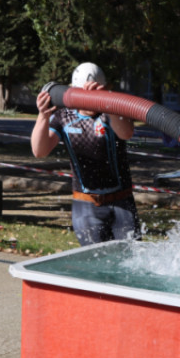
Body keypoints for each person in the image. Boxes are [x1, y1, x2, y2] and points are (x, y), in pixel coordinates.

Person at [31, 62, 141, 246]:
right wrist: (42, 116)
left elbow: (126, 133)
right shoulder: (64, 116)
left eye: (94, 95)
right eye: (84, 96)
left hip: (122, 201)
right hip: (86, 204)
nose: (90, 102)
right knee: (94, 261)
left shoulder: (112, 112)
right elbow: (39, 151)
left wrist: (108, 101)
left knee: (131, 258)